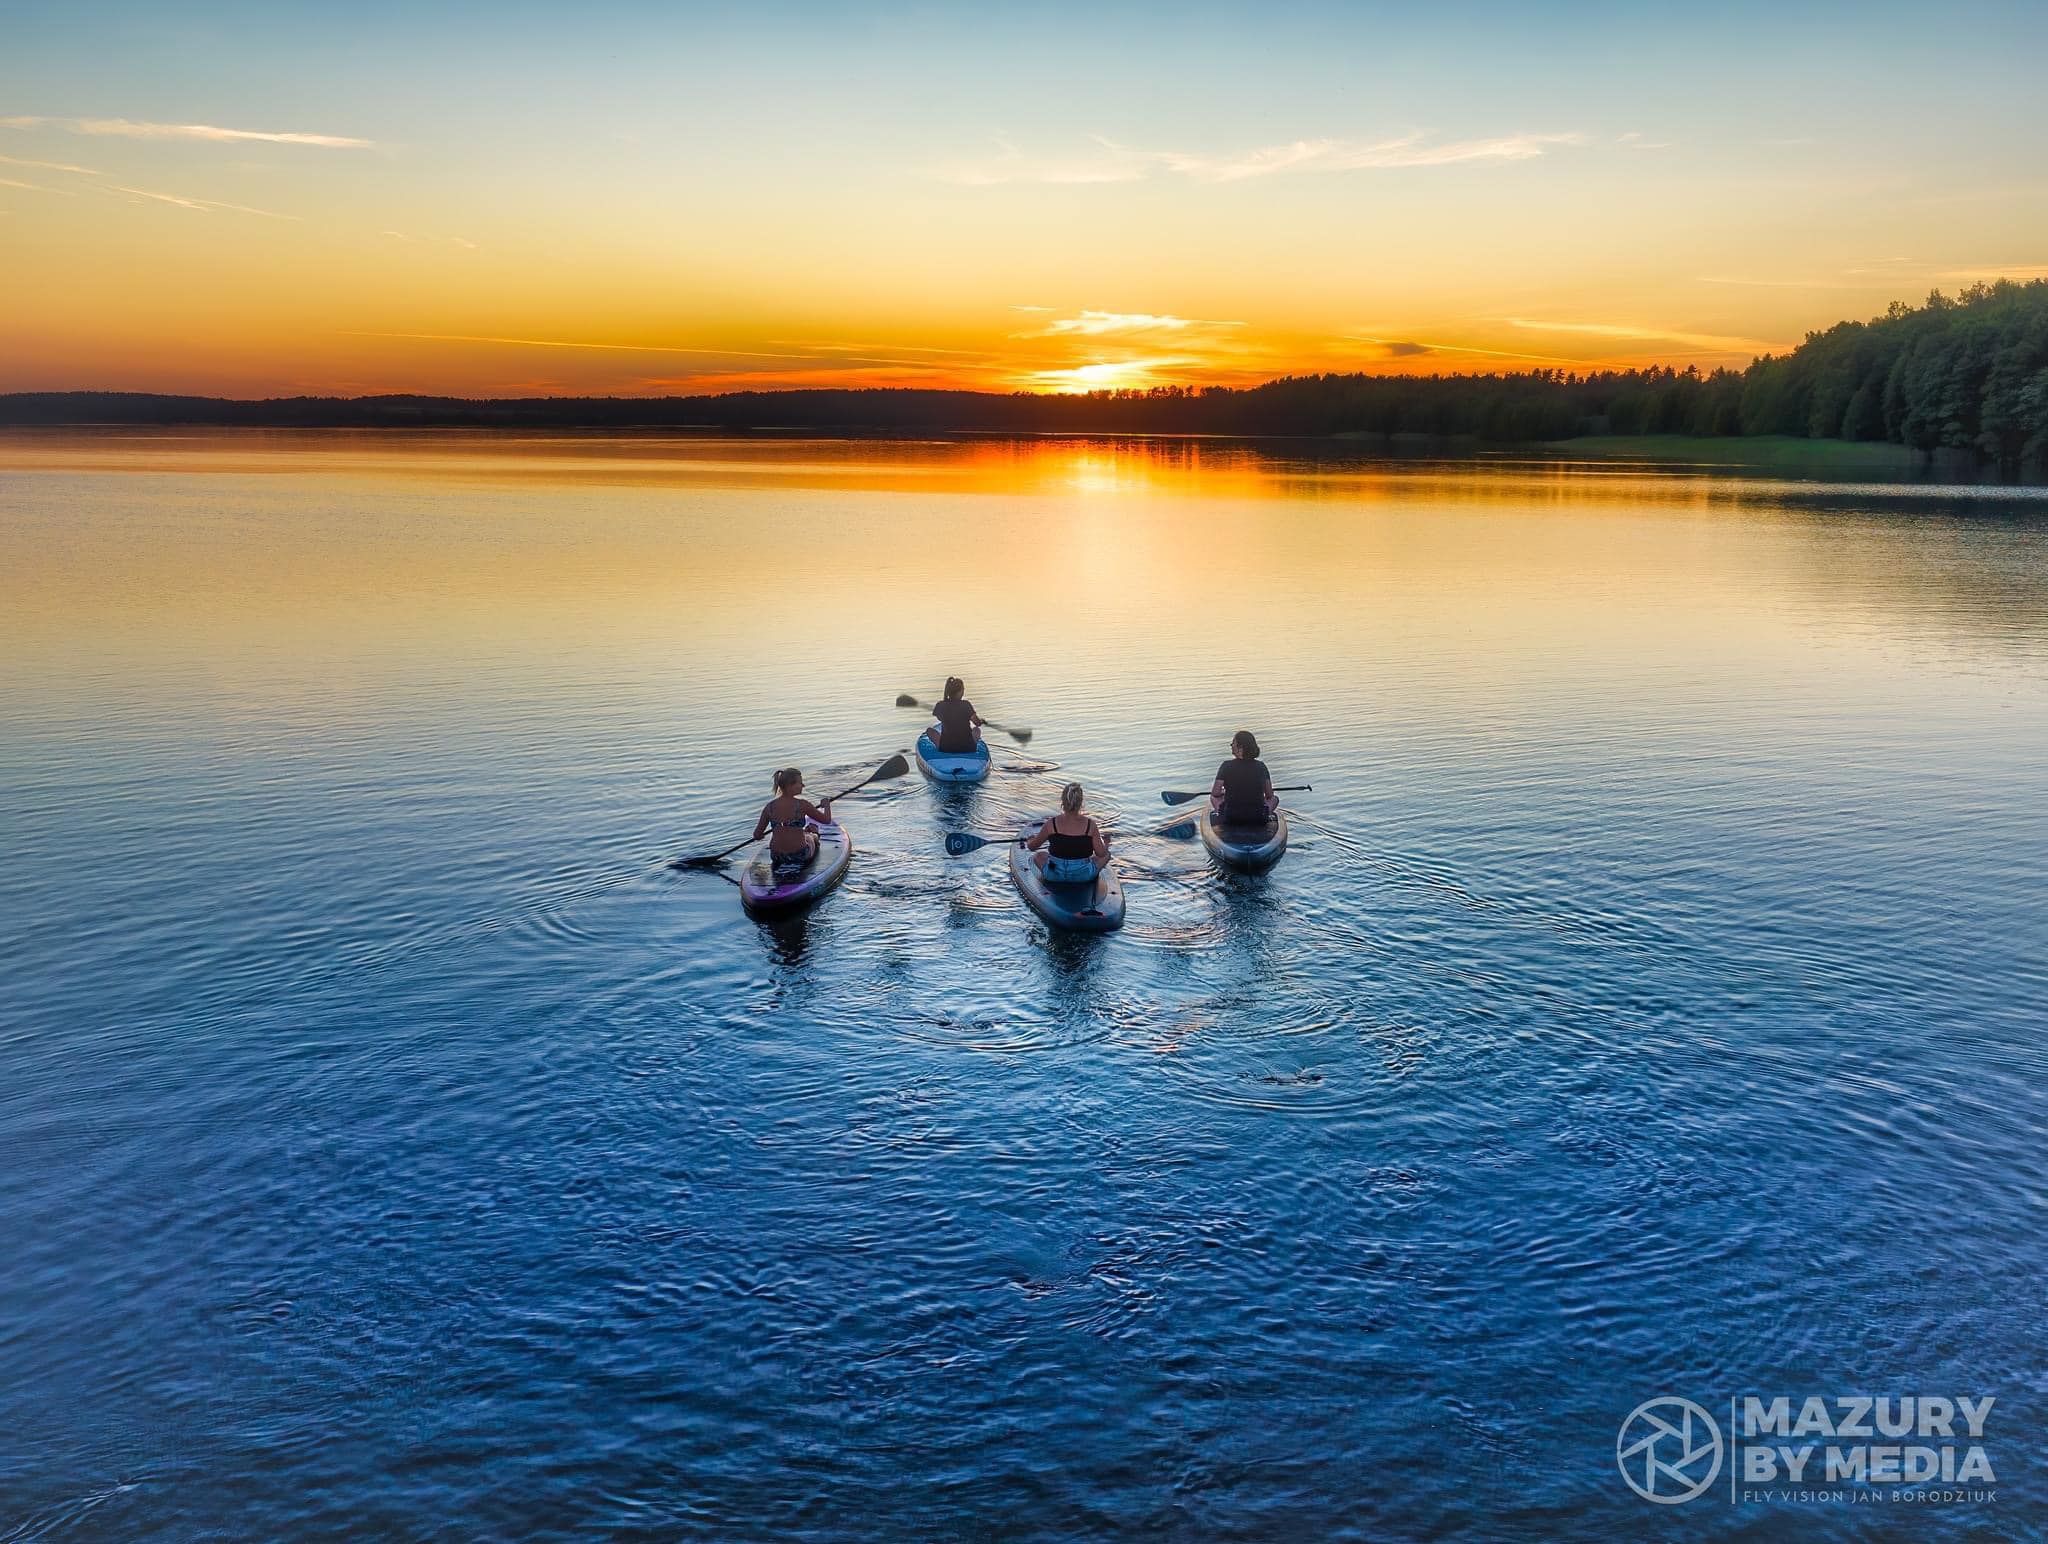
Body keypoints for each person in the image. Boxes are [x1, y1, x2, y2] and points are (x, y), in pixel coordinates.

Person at [752, 768, 833, 878]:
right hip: (799, 855)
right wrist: (826, 805)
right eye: (800, 783)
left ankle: (808, 832)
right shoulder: (802, 805)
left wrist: (761, 835)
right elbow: (826, 820)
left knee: (803, 834)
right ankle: (813, 833)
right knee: (811, 837)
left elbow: (756, 835)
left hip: (776, 856)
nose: (803, 785)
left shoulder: (769, 807)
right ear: (790, 786)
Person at [1025, 782, 1110, 882]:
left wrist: (1030, 840)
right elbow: (1101, 854)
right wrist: (1106, 843)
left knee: (1038, 855)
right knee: (1107, 855)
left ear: (1063, 802)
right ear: (1081, 802)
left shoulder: (1051, 824)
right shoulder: (1090, 825)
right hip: (1083, 876)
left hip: (1054, 874)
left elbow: (1032, 847)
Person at [1211, 730, 1277, 827]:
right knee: (1275, 799)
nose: (1231, 745)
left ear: (1240, 748)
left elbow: (1215, 793)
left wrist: (1223, 793)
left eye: (1233, 743)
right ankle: (1266, 814)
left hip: (1231, 817)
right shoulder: (1261, 766)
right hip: (1257, 817)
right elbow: (1269, 795)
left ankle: (1221, 815)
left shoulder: (1226, 766)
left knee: (1213, 798)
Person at [930, 677, 984, 754]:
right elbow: (977, 723)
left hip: (946, 748)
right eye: (963, 689)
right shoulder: (966, 705)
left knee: (929, 731)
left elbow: (940, 718)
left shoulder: (940, 705)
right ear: (959, 691)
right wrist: (981, 721)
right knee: (976, 730)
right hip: (967, 748)